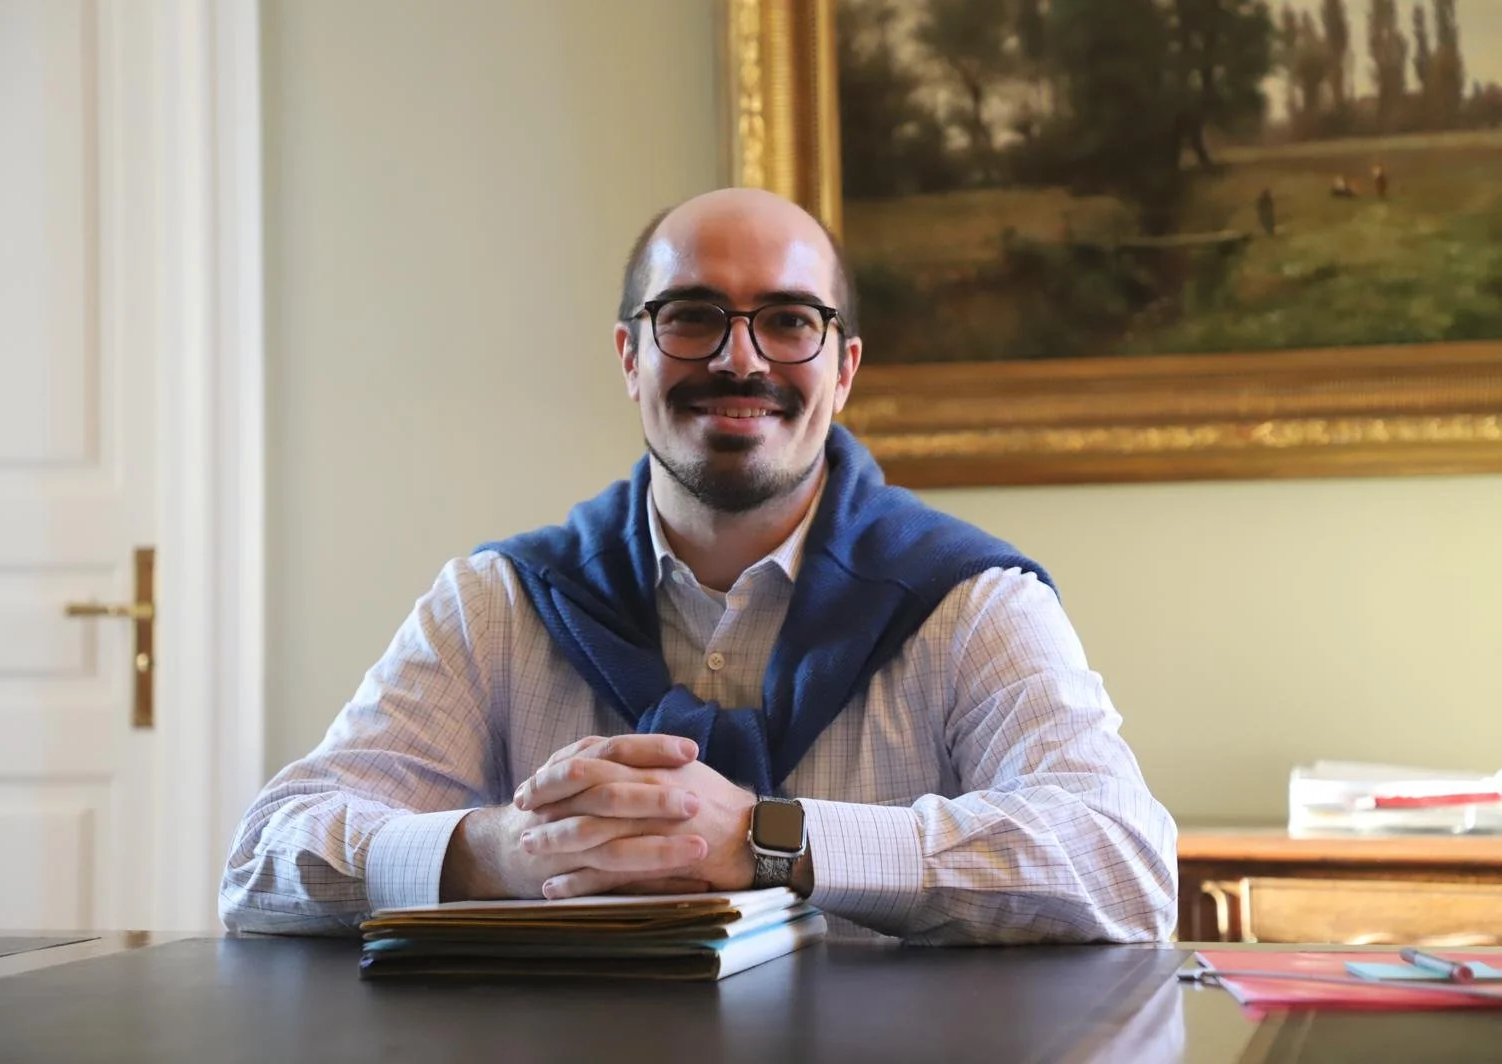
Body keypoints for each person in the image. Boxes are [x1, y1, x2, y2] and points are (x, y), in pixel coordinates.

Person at [220, 188, 1178, 944]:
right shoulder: (495, 605)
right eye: (691, 316)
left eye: (790, 321)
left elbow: (1126, 865)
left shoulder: (970, 606)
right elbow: (260, 864)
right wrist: (502, 852)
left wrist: (774, 841)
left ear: (842, 369)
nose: (739, 359)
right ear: (630, 356)